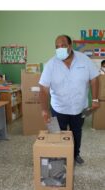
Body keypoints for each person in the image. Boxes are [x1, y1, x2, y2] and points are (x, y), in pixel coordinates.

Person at [39, 34, 100, 165]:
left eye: (63, 45)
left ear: (70, 46)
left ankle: (75, 154)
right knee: (57, 134)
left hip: (79, 107)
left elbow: (94, 79)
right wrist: (44, 110)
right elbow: (43, 88)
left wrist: (95, 100)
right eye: (57, 47)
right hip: (58, 108)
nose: (59, 49)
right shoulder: (51, 64)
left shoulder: (84, 60)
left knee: (76, 132)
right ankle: (60, 157)